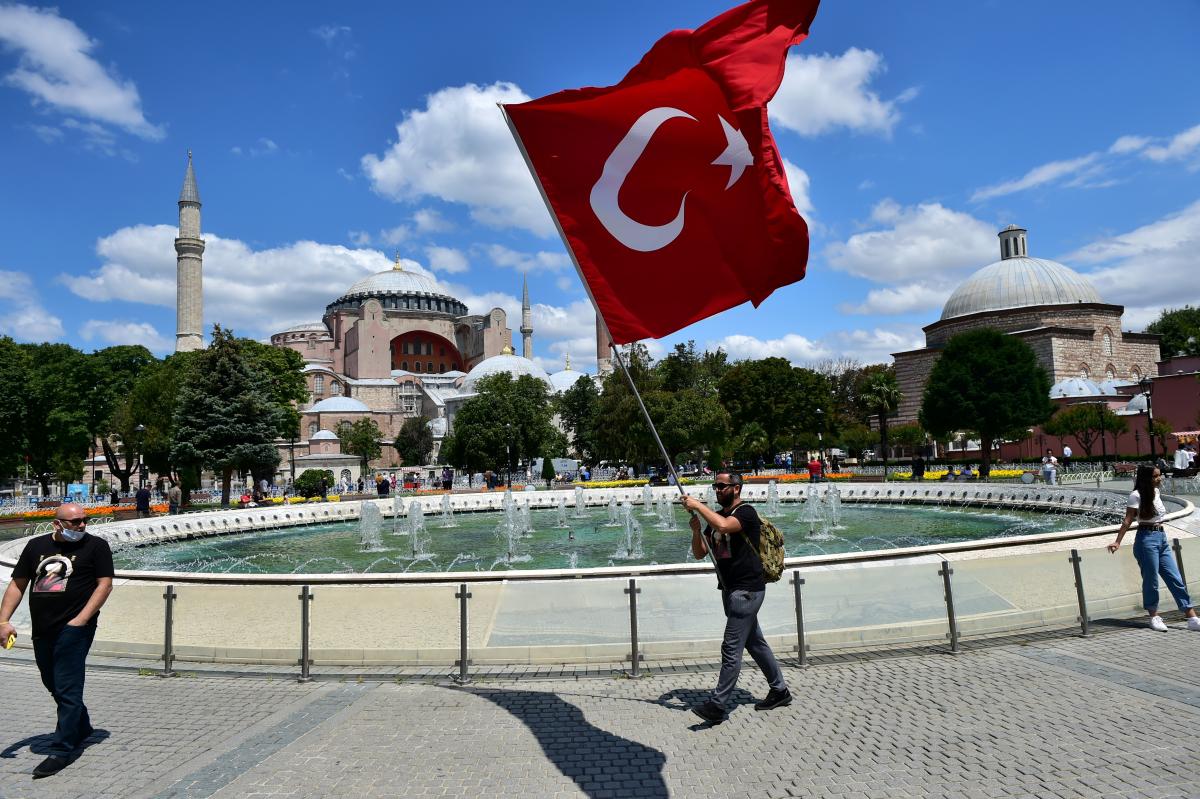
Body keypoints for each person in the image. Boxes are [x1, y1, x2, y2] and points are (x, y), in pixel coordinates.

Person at [0, 503, 114, 777]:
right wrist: (3, 621)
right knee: (52, 682)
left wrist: (81, 620)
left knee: (67, 687)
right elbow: (18, 583)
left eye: (84, 520)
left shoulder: (96, 546)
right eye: (74, 522)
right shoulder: (36, 546)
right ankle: (82, 727)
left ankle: (62, 749)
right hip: (43, 628)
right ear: (57, 524)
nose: (81, 526)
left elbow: (105, 584)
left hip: (74, 629)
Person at [681, 472, 790, 723]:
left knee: (731, 647)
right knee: (755, 642)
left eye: (722, 486)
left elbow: (724, 527)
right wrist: (697, 531)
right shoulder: (716, 519)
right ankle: (780, 690)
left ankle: (718, 705)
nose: (717, 490)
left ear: (736, 488)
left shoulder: (745, 513)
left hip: (747, 590)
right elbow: (700, 553)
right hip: (730, 589)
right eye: (715, 486)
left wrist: (698, 505)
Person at [1106, 465, 1200, 632]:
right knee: (1152, 581)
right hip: (1146, 540)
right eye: (1156, 476)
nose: (1160, 478)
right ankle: (1154, 616)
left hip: (1161, 538)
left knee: (1175, 578)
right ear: (1146, 479)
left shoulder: (1156, 492)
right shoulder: (1135, 495)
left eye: (1159, 475)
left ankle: (1191, 617)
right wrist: (1117, 541)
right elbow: (1128, 520)